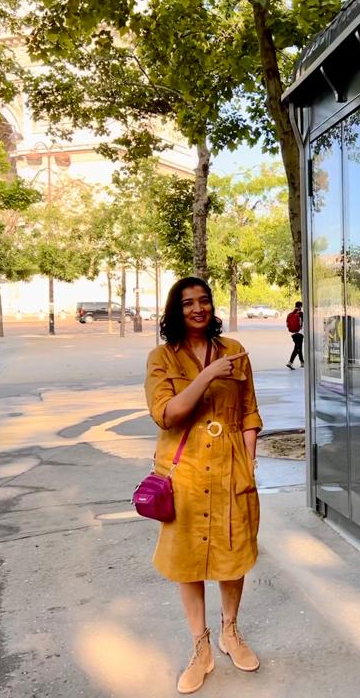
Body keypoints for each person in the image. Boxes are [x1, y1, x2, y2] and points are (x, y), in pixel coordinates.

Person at [144, 277, 263, 694]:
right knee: (188, 561)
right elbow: (167, 414)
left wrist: (248, 464)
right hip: (186, 474)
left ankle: (231, 632)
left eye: (204, 300)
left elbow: (249, 413)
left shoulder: (234, 351)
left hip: (231, 468)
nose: (198, 308)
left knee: (233, 555)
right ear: (175, 311)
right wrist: (209, 375)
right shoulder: (162, 358)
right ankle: (201, 647)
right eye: (188, 303)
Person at [285, 301, 304, 369]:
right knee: (297, 348)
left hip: (293, 333)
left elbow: (287, 324)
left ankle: (302, 362)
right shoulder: (301, 313)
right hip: (300, 333)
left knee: (298, 348)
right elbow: (304, 322)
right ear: (300, 306)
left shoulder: (290, 314)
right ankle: (290, 362)